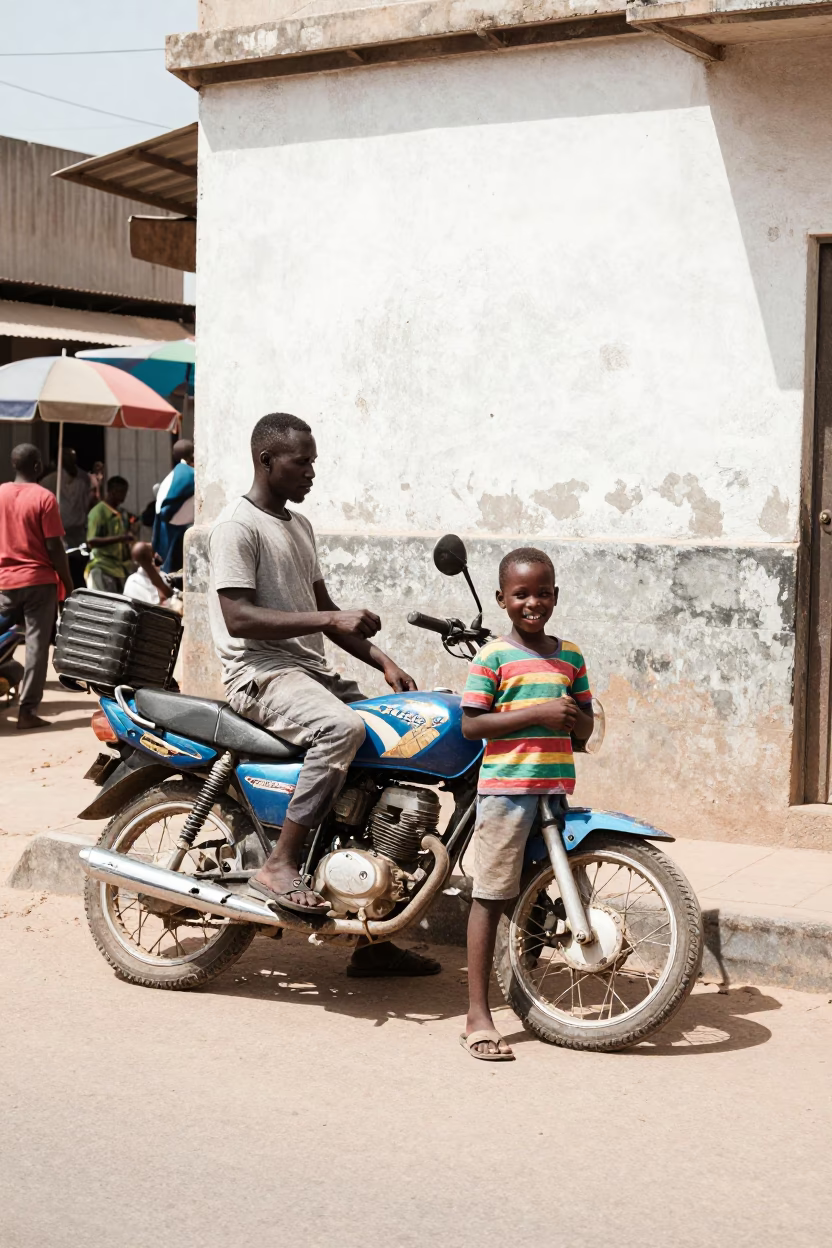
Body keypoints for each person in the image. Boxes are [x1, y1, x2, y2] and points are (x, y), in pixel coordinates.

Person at [208, 411, 439, 977]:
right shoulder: (237, 526)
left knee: (392, 741)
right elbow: (238, 617)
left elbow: (326, 615)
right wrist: (331, 614)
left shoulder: (299, 526)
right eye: (301, 461)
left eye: (314, 461)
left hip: (306, 672)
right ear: (267, 460)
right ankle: (280, 864)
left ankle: (368, 929)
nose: (312, 471)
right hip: (259, 673)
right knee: (341, 729)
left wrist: (385, 661)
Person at [459, 547, 594, 1060]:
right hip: (505, 792)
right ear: (502, 600)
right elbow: (473, 724)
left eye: (542, 592)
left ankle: (530, 988)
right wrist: (539, 711)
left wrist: (572, 717)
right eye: (521, 594)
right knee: (490, 897)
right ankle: (476, 1013)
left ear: (555, 596)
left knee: (537, 895)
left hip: (554, 789)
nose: (532, 602)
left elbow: (584, 727)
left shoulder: (572, 656)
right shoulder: (492, 657)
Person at [0, 443, 73, 729]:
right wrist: (67, 582)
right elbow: (55, 545)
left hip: (5, 582)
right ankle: (27, 712)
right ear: (37, 466)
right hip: (39, 582)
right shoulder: (45, 497)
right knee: (36, 646)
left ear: (12, 464)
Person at [41, 447, 94, 587]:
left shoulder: (84, 478)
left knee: (78, 571)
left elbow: (87, 502)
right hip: (59, 535)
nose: (71, 462)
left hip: (78, 535)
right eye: (66, 458)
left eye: (73, 458)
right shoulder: (49, 481)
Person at [153, 439, 195, 573]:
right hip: (175, 531)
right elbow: (167, 510)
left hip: (170, 530)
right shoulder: (188, 473)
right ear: (193, 455)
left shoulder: (171, 476)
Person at [86, 476, 130, 593]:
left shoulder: (119, 513)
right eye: (122, 492)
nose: (124, 496)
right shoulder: (98, 512)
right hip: (101, 567)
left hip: (117, 568)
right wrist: (120, 538)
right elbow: (92, 541)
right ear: (112, 492)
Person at [123, 541, 181, 613]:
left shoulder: (164, 576)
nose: (157, 555)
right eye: (152, 553)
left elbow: (173, 598)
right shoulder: (133, 582)